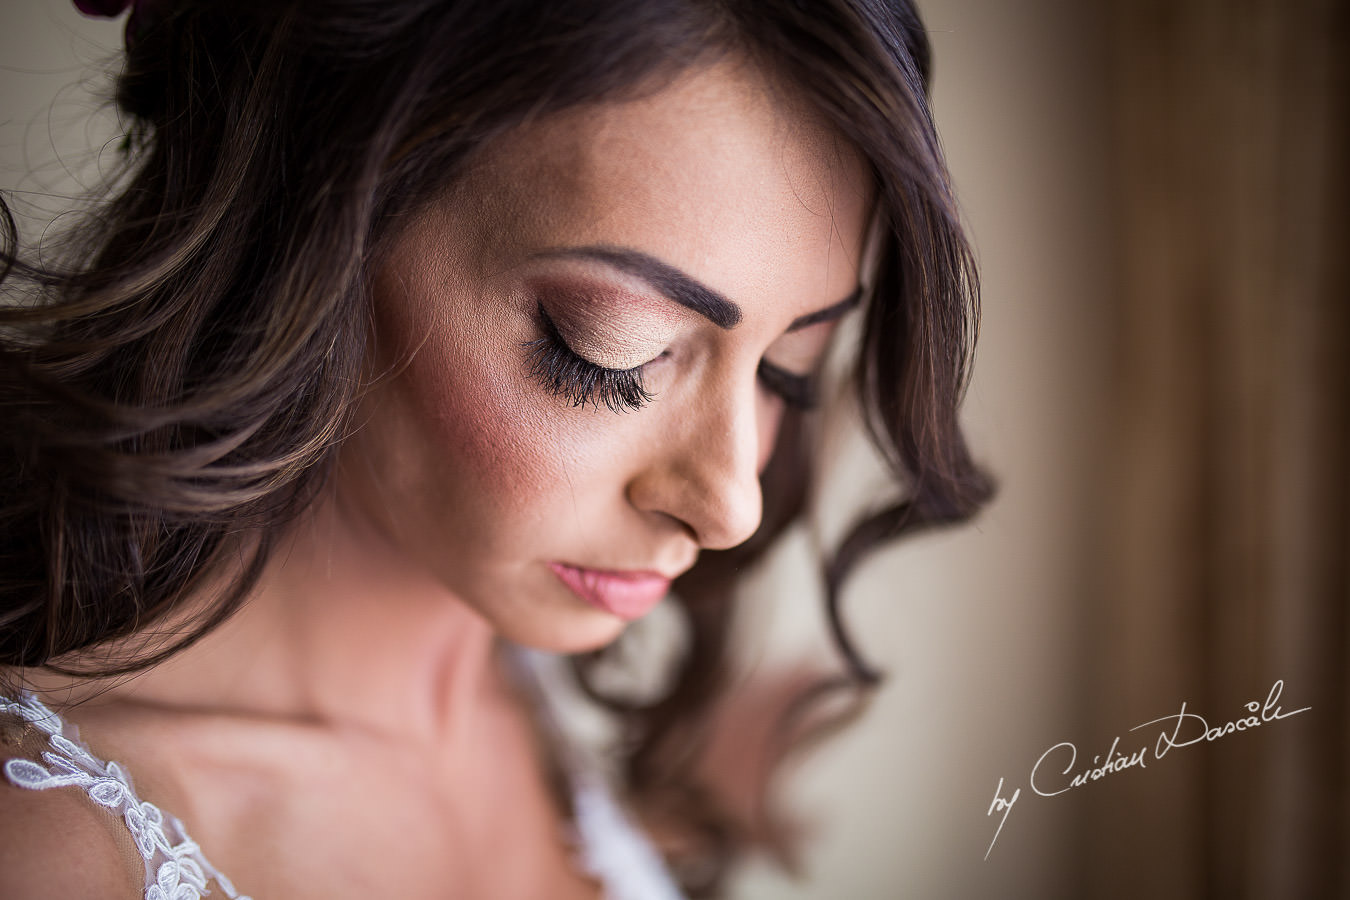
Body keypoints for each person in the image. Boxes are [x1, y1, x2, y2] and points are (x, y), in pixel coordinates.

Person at [0, 0, 992, 897]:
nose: (733, 506)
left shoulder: (579, 715)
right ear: (317, 222)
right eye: (611, 351)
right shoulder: (52, 852)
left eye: (790, 366)